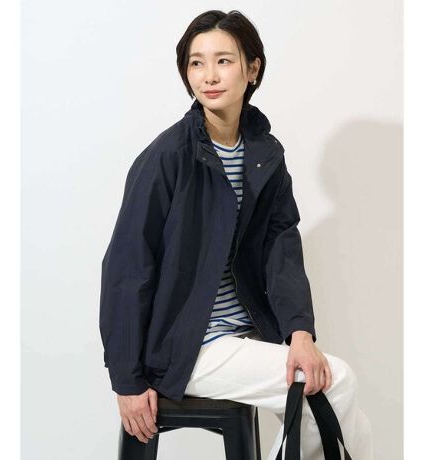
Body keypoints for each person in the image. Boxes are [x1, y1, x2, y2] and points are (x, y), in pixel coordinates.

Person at [99, 9, 374, 460]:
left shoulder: (264, 153)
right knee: (337, 382)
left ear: (252, 69)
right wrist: (126, 381)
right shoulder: (167, 157)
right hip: (187, 345)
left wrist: (300, 332)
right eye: (196, 63)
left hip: (246, 332)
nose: (208, 75)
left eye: (223, 61)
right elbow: (127, 269)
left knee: (352, 419)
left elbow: (280, 248)